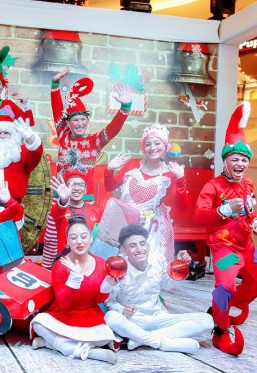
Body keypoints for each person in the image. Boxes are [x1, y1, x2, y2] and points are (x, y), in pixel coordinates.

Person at [194, 101, 257, 356]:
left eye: (244, 159)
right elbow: (199, 216)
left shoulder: (249, 184)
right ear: (226, 160)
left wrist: (254, 220)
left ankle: (227, 307)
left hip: (247, 245)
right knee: (225, 287)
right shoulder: (213, 186)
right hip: (225, 249)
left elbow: (251, 210)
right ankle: (220, 326)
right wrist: (223, 210)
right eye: (235, 158)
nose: (240, 163)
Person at [104, 224, 213, 354]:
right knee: (111, 318)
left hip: (159, 317)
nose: (139, 249)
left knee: (207, 321)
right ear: (123, 250)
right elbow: (109, 301)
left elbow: (167, 285)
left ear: (148, 246)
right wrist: (123, 310)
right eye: (132, 246)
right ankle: (162, 342)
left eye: (142, 244)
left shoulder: (158, 259)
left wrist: (178, 266)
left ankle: (140, 340)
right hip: (134, 320)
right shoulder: (119, 267)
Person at [30, 215, 119, 364]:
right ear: (68, 242)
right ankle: (91, 353)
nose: (79, 241)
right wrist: (74, 280)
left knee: (105, 337)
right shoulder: (60, 265)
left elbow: (99, 300)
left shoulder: (101, 263)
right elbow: (63, 302)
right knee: (38, 324)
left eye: (84, 236)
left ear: (91, 239)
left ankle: (50, 344)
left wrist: (108, 284)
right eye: (73, 237)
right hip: (62, 313)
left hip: (89, 314)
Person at [103, 124, 188, 262]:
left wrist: (180, 179)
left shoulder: (170, 173)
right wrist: (109, 170)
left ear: (166, 146)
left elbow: (181, 207)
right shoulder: (132, 165)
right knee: (121, 265)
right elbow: (110, 186)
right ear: (144, 148)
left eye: (157, 143)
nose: (152, 147)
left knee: (148, 266)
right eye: (148, 144)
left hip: (151, 228)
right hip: (125, 223)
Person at [51, 66, 132, 190]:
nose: (80, 123)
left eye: (83, 119)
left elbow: (112, 129)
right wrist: (55, 84)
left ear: (88, 121)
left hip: (85, 199)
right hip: (61, 197)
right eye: (75, 120)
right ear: (68, 123)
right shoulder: (63, 135)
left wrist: (125, 108)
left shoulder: (94, 141)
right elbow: (57, 110)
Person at [0, 115, 43, 208]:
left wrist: (30, 137)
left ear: (12, 135)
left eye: (6, 133)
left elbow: (36, 153)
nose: (2, 136)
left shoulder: (22, 153)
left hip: (12, 208)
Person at [42, 169, 100, 268]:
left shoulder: (96, 211)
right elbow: (56, 212)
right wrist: (64, 200)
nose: (77, 188)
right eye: (72, 185)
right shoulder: (60, 209)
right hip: (66, 264)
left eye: (81, 185)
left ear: (86, 190)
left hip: (89, 263)